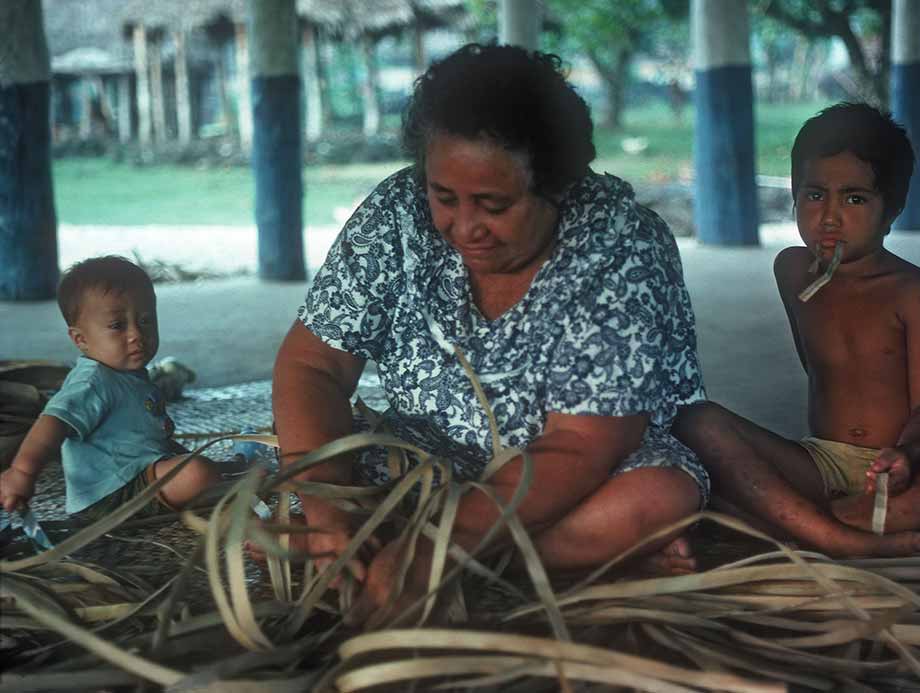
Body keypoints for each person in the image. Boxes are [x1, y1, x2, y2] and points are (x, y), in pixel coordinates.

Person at [272, 43, 709, 624]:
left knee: (658, 498)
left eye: (493, 205)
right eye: (444, 197)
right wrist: (329, 510)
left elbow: (582, 445)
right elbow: (313, 366)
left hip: (565, 483)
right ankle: (554, 563)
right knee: (290, 478)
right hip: (422, 465)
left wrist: (438, 550)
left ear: (555, 184)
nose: (465, 226)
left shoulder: (623, 246)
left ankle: (460, 563)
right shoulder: (396, 214)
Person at [673, 103, 920, 558]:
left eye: (855, 198)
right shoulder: (792, 270)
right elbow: (820, 366)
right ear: (793, 195)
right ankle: (834, 530)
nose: (829, 216)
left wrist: (908, 454)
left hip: (892, 473)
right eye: (814, 194)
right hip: (815, 463)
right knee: (696, 420)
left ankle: (798, 526)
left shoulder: (915, 293)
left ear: (893, 208)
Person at [0, 256, 220, 525]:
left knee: (199, 467)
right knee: (197, 473)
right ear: (81, 339)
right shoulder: (91, 382)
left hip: (138, 474)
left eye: (146, 320)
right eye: (118, 326)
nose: (136, 334)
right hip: (110, 496)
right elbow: (52, 423)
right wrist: (22, 472)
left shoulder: (130, 375)